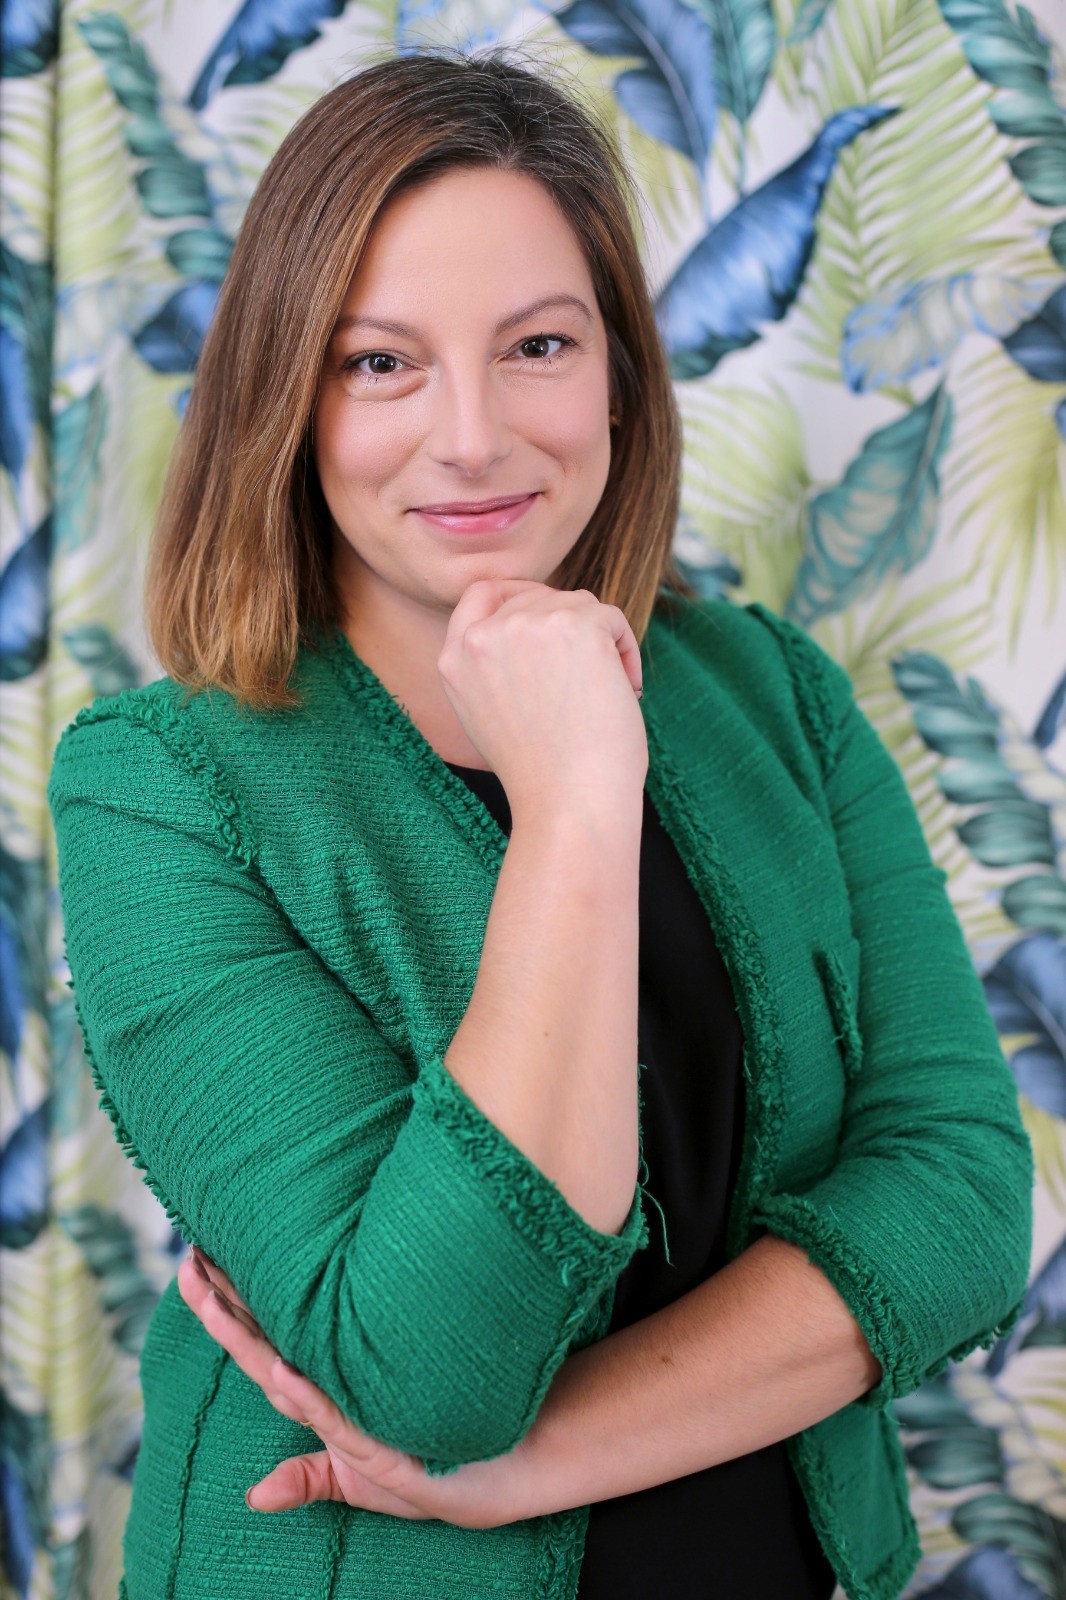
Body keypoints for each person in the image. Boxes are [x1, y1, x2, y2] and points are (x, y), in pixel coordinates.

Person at [46, 47, 1033, 1600]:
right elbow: (430, 1374)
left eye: (537, 345)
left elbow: (961, 1198)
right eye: (380, 363)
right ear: (284, 400)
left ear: (619, 373)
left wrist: (546, 1464)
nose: (471, 436)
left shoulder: (764, 690)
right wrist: (575, 800)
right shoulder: (163, 784)